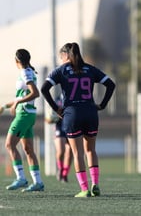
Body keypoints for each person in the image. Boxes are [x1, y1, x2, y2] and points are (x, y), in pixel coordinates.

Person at [41, 42, 115, 197]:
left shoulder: (61, 70)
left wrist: (56, 108)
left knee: (77, 153)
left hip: (72, 114)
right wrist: (102, 104)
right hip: (90, 112)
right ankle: (95, 184)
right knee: (91, 150)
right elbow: (110, 84)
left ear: (65, 55)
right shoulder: (90, 68)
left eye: (61, 56)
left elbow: (44, 89)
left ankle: (84, 189)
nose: (60, 60)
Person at [1, 49, 44, 192]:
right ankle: (38, 182)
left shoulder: (25, 72)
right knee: (28, 149)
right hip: (27, 114)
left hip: (24, 115)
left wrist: (17, 104)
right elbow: (21, 96)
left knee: (9, 144)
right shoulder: (28, 72)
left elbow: (35, 93)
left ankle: (21, 178)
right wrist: (6, 105)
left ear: (16, 61)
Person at [44, 94, 72, 183]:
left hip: (71, 126)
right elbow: (49, 116)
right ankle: (60, 168)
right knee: (61, 151)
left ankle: (65, 174)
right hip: (60, 127)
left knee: (70, 152)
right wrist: (51, 118)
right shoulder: (57, 99)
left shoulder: (73, 97)